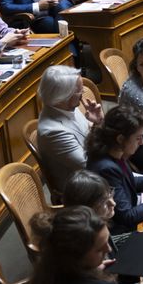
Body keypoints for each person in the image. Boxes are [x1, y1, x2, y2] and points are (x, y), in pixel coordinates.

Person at [87, 106, 143, 224]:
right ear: (120, 139)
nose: (141, 143)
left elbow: (128, 183)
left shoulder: (115, 152)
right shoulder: (106, 168)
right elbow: (127, 216)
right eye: (138, 138)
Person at [36, 65, 101, 195]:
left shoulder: (67, 107)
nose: (83, 95)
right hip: (86, 190)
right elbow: (90, 165)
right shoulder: (52, 132)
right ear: (63, 97)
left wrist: (98, 123)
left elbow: (87, 136)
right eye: (80, 92)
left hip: (97, 171)